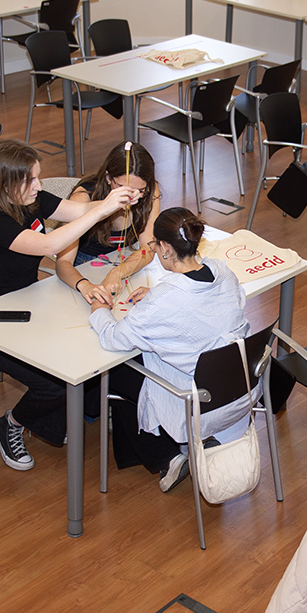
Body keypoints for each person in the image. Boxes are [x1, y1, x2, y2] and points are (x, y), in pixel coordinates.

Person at [0, 140, 139, 470]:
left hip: (32, 304)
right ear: (5, 184)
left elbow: (78, 211)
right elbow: (50, 244)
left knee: (83, 356)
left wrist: (114, 200)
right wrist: (104, 209)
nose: (39, 186)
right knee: (54, 384)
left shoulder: (33, 200)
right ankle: (10, 424)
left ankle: (67, 416)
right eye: (31, 180)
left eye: (38, 177)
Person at [87, 208, 252, 492]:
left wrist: (98, 308)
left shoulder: (164, 300)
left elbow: (114, 338)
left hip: (196, 401)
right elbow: (213, 308)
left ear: (165, 248)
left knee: (116, 370)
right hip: (237, 389)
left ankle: (167, 455)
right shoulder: (222, 271)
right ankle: (171, 452)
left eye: (153, 244)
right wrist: (154, 297)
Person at [55, 142, 161, 309]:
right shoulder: (83, 199)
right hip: (85, 268)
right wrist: (85, 285)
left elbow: (148, 247)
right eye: (122, 187)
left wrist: (117, 272)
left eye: (139, 190)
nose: (131, 196)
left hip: (127, 261)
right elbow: (63, 264)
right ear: (108, 178)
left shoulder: (150, 191)